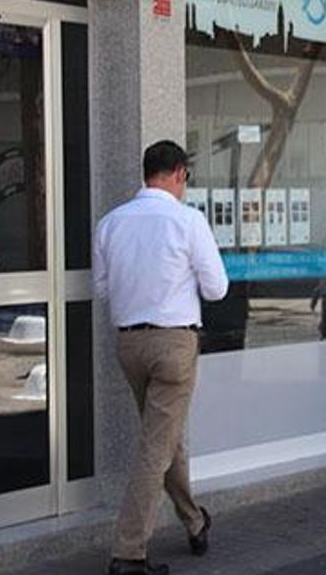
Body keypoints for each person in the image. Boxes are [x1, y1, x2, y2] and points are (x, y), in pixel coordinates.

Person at [94, 140, 229, 575]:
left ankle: (194, 521)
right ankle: (128, 552)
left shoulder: (110, 223)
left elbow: (102, 289)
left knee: (167, 438)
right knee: (156, 448)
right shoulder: (188, 220)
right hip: (173, 345)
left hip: (129, 345)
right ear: (179, 174)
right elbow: (217, 289)